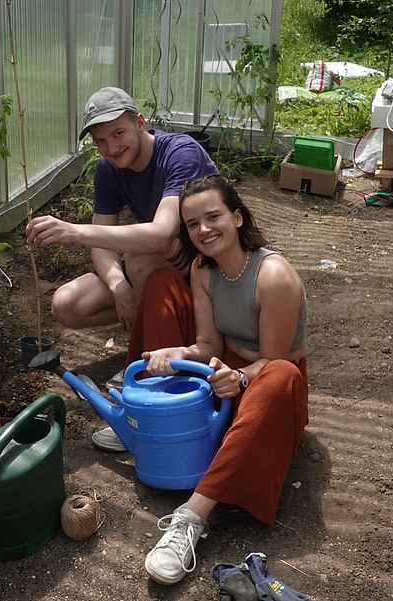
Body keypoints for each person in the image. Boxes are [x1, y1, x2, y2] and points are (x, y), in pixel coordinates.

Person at [132, 174, 309, 585]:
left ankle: (191, 517)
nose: (204, 230)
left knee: (280, 375)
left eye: (213, 217)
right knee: (161, 286)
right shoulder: (202, 269)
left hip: (273, 385)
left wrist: (240, 378)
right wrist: (178, 354)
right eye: (193, 224)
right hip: (224, 367)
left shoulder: (273, 276)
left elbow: (274, 360)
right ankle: (144, 416)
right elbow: (208, 343)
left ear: (238, 217)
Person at [25, 87, 217, 451]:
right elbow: (103, 245)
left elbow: (162, 234)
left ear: (140, 123)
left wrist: (74, 231)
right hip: (158, 271)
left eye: (118, 134)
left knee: (142, 256)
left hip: (207, 269)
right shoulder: (109, 169)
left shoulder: (180, 153)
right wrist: (119, 287)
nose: (112, 148)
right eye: (101, 141)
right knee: (68, 303)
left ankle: (149, 378)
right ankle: (152, 334)